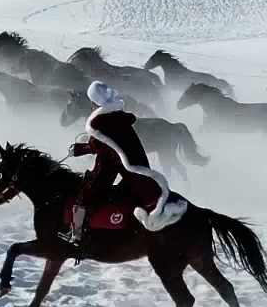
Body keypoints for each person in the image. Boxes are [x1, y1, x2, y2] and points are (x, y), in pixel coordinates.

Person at [64, 81, 187, 244]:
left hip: (116, 165)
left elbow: (100, 145)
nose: (91, 104)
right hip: (120, 164)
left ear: (96, 101)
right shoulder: (116, 116)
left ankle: (77, 234)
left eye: (92, 101)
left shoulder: (101, 121)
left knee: (83, 195)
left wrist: (78, 150)